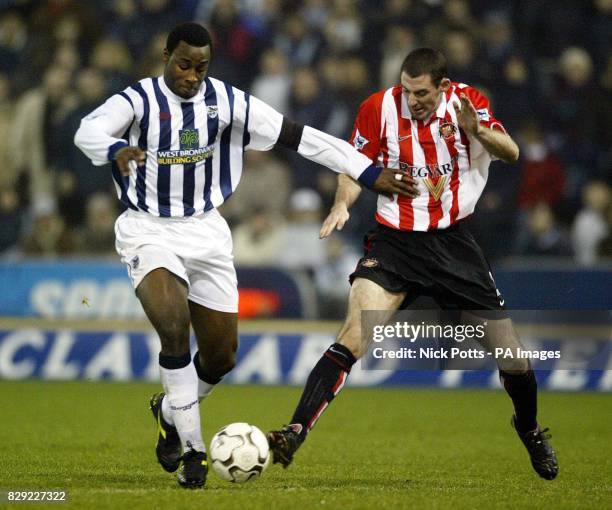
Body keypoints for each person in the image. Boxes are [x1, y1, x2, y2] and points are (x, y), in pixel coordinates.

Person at [74, 22, 416, 489]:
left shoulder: (229, 102)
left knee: (220, 358)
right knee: (174, 329)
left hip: (208, 232)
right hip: (147, 228)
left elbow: (303, 137)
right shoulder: (138, 100)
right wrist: (116, 148)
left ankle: (170, 413)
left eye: (201, 67)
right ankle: (193, 453)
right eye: (183, 65)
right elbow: (86, 131)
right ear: (166, 55)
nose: (192, 76)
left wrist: (368, 171)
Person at [268, 48, 559, 481]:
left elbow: (512, 152)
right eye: (406, 90)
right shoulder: (377, 107)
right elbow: (352, 166)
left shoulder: (466, 102)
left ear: (442, 86)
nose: (412, 100)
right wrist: (342, 205)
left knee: (514, 359)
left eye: (421, 92)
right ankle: (294, 431)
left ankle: (530, 429)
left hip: (452, 245)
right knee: (353, 333)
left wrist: (476, 129)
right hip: (394, 243)